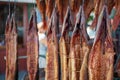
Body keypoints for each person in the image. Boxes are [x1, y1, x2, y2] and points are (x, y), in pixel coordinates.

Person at [36, 8, 47, 80]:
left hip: (40, 57)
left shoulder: (37, 35)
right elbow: (48, 45)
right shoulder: (42, 36)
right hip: (42, 58)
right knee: (42, 74)